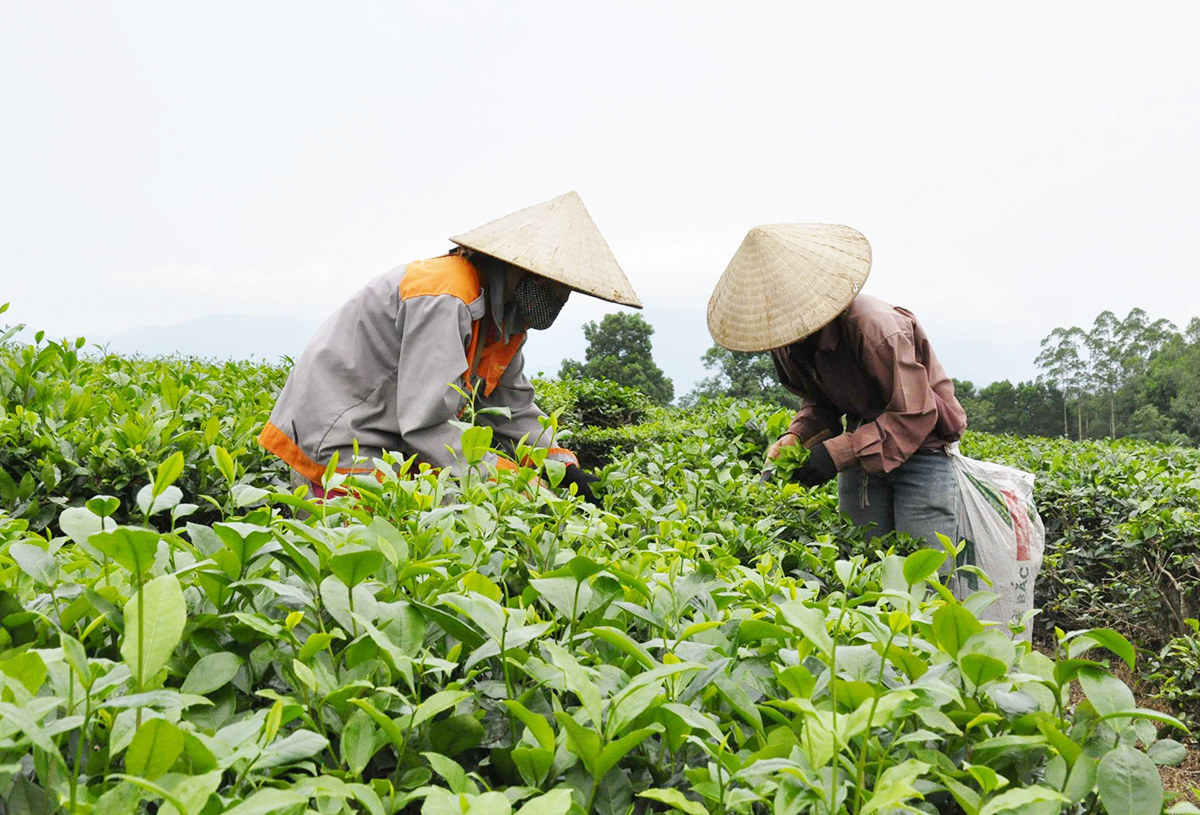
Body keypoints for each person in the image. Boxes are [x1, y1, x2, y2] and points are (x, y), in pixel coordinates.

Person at [259, 191, 642, 505]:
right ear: (532, 275)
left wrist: (560, 465)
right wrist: (517, 482)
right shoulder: (447, 297)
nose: (561, 300)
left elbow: (513, 409)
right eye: (560, 288)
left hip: (386, 440)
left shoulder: (503, 320)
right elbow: (426, 425)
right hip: (343, 440)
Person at [706, 223, 967, 547]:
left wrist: (835, 454)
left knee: (924, 568)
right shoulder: (786, 344)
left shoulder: (877, 329)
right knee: (862, 554)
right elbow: (821, 402)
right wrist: (796, 437)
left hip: (924, 446)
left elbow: (915, 412)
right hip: (864, 443)